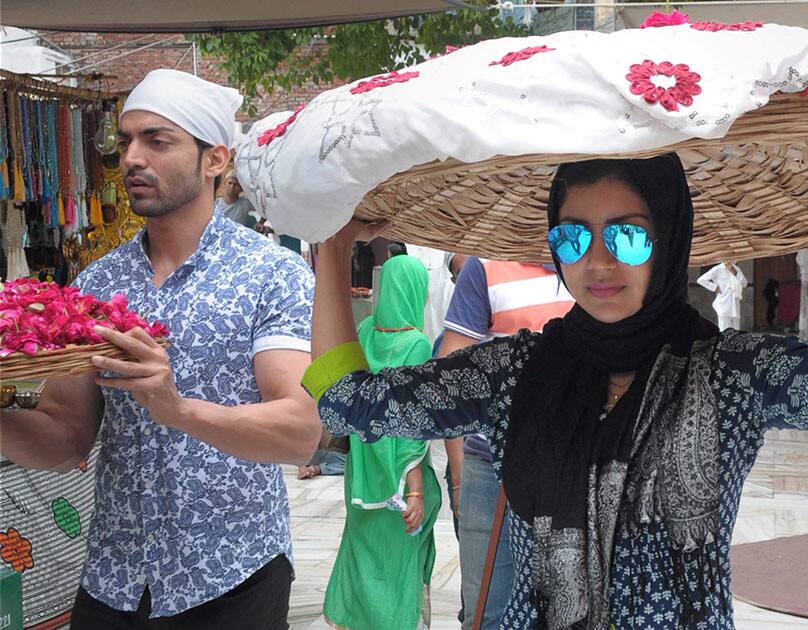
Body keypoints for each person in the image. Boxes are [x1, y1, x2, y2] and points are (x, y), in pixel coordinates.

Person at [304, 120, 808, 628]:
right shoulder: (514, 373)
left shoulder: (729, 375)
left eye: (629, 235)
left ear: (670, 241)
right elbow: (346, 403)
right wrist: (332, 250)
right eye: (573, 237)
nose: (598, 261)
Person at [1, 69, 320, 629]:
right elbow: (65, 440)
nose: (131, 158)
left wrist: (178, 409)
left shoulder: (272, 274)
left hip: (232, 577)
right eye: (125, 141)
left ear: (215, 159)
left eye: (158, 140)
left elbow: (300, 433)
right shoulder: (96, 288)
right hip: (115, 578)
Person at [438, 257, 574, 629]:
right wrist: (459, 478)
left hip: (572, 469)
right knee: (486, 610)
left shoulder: (594, 265)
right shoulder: (484, 269)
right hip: (490, 468)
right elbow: (451, 379)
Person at [321, 254, 442, 630]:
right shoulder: (417, 345)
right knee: (399, 559)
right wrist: (417, 492)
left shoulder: (366, 330)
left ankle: (354, 620)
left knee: (364, 551)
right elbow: (411, 426)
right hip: (400, 479)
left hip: (362, 471)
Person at [697, 261, 748, 330]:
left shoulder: (736, 269)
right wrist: (715, 287)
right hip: (723, 304)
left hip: (735, 305)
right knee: (724, 330)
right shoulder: (718, 269)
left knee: (736, 331)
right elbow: (701, 280)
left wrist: (735, 273)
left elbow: (744, 283)